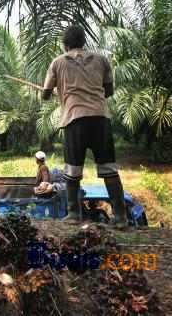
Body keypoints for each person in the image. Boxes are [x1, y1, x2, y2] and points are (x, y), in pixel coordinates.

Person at [42, 25, 128, 227]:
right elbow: (108, 91)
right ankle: (121, 217)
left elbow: (45, 94)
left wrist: (57, 92)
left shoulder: (57, 63)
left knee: (72, 170)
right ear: (83, 42)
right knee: (109, 169)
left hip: (74, 120)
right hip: (100, 119)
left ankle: (73, 215)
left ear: (65, 45)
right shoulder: (101, 60)